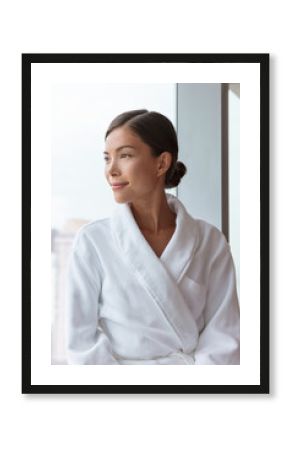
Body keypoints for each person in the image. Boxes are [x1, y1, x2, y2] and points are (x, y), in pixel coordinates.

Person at [65, 109, 240, 365]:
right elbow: (81, 344)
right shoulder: (92, 242)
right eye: (107, 158)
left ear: (161, 163)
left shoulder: (210, 241)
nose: (111, 170)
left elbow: (225, 336)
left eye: (125, 155)